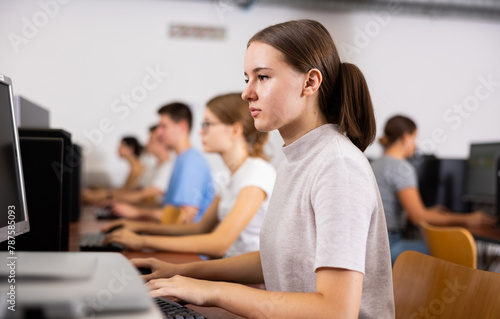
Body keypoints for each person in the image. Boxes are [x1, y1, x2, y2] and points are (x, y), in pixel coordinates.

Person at [132, 20, 395, 318]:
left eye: (263, 77)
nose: (247, 93)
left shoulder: (338, 166)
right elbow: (276, 260)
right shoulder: (293, 161)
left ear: (310, 83)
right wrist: (184, 272)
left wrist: (212, 292)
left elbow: (335, 310)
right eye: (247, 78)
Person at [102, 93, 276, 257]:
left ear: (235, 130)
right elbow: (199, 228)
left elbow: (219, 243)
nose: (201, 131)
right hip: (227, 268)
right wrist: (136, 227)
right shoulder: (231, 177)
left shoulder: (257, 173)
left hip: (243, 279)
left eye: (208, 124)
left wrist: (142, 240)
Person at [371, 115, 496, 264]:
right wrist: (468, 219)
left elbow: (411, 215)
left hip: (374, 245)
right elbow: (418, 217)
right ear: (406, 137)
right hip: (389, 245)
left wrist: (431, 212)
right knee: (453, 250)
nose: (415, 145)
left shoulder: (376, 164)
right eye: (414, 138)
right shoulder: (401, 168)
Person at [110, 102, 215, 224]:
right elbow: (169, 208)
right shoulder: (181, 159)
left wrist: (138, 213)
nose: (158, 132)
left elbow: (185, 217)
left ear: (182, 126)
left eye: (163, 126)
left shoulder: (191, 162)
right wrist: (134, 209)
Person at [82, 125, 174, 205]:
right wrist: (101, 193)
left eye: (151, 140)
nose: (146, 144)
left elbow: (141, 196)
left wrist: (104, 196)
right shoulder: (153, 167)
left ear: (163, 143)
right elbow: (134, 190)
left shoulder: (166, 167)